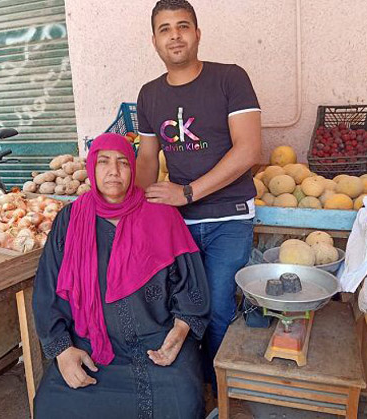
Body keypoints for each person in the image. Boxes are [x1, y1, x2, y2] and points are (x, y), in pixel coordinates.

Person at [33, 133, 210, 419]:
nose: (113, 171)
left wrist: (179, 332)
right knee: (51, 405)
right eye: (103, 162)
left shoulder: (162, 215)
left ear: (133, 169)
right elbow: (48, 288)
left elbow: (189, 284)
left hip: (156, 342)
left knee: (182, 400)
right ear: (92, 167)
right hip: (90, 345)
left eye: (123, 163)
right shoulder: (71, 219)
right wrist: (63, 352)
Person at [135, 0, 262, 392]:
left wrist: (187, 192)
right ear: (154, 40)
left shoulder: (230, 78)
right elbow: (146, 157)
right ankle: (191, 389)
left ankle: (219, 393)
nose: (175, 35)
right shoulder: (149, 94)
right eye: (165, 28)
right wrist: (134, 205)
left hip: (228, 216)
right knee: (179, 308)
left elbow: (248, 150)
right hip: (176, 222)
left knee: (219, 308)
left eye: (183, 26)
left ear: (197, 33)